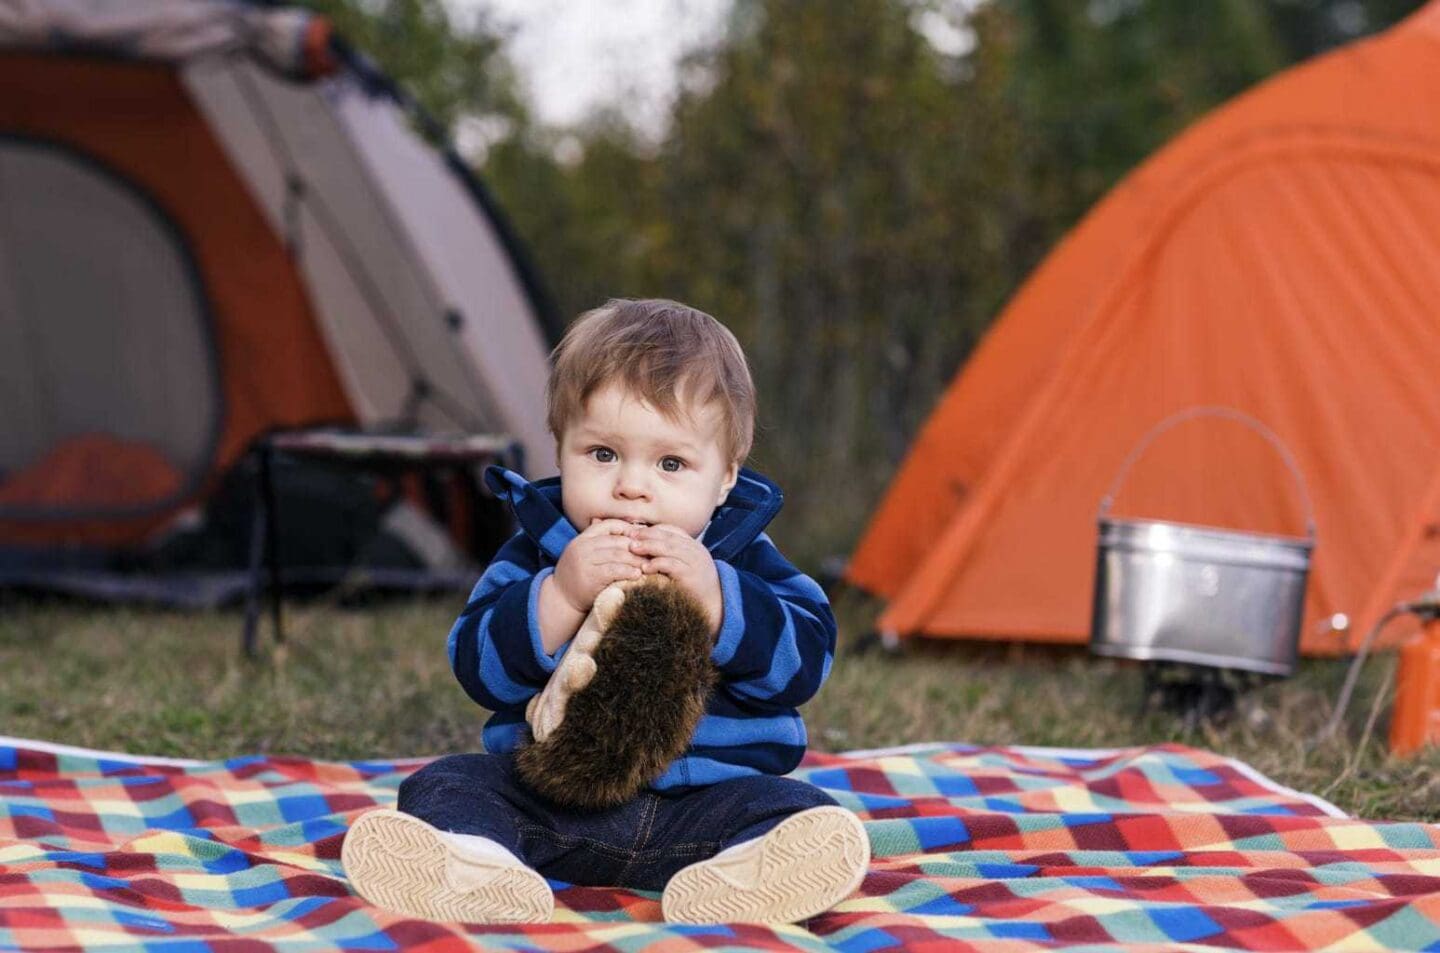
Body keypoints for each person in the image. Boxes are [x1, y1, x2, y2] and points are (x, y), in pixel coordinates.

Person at [340, 298, 867, 924]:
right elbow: (476, 664)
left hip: (705, 806)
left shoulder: (743, 560)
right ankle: (478, 865)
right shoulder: (540, 551)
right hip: (553, 806)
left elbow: (807, 661)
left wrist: (719, 599)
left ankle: (741, 876)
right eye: (603, 454)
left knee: (800, 808)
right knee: (444, 784)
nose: (631, 486)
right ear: (560, 450)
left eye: (671, 464)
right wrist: (559, 596)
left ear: (724, 478)